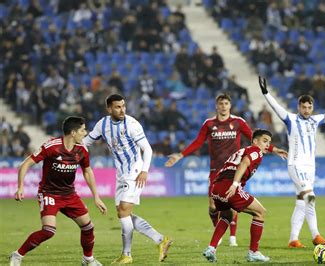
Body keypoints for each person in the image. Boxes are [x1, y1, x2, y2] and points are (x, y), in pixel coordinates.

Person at [165, 93, 286, 247]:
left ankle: (233, 238)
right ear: (217, 106)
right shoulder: (209, 124)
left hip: (233, 170)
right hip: (216, 170)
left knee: (233, 203)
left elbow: (255, 139)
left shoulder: (238, 122)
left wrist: (274, 149)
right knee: (212, 206)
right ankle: (218, 230)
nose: (223, 106)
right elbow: (198, 142)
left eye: (226, 103)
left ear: (230, 106)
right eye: (221, 103)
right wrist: (180, 155)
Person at [258, 76, 325, 248]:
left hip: (310, 168)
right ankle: (316, 235)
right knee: (310, 197)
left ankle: (293, 239)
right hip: (295, 165)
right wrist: (265, 93)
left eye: (309, 107)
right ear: (298, 107)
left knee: (301, 202)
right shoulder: (291, 119)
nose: (307, 110)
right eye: (304, 107)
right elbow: (276, 107)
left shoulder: (315, 121)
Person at [83, 94, 172, 264]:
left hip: (135, 171)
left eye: (123, 106)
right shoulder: (103, 125)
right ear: (109, 108)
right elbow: (86, 142)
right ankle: (161, 240)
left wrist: (144, 171)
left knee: (123, 210)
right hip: (121, 173)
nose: (122, 109)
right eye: (118, 107)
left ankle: (127, 254)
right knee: (123, 213)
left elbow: (148, 149)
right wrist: (69, 146)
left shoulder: (132, 124)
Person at [9, 116, 107, 266]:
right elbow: (26, 164)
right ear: (73, 132)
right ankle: (17, 255)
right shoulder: (51, 147)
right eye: (83, 130)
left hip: (69, 194)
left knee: (88, 227)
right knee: (48, 230)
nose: (85, 133)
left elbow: (87, 171)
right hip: (49, 193)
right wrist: (20, 186)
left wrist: (96, 197)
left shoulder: (82, 149)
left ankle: (88, 259)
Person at [202, 129, 287, 263]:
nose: (267, 145)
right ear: (255, 141)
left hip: (216, 187)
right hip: (230, 186)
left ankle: (211, 248)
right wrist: (235, 184)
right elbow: (244, 163)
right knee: (260, 212)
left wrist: (274, 150)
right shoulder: (255, 151)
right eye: (265, 141)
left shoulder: (244, 149)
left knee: (227, 215)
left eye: (269, 143)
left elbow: (242, 160)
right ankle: (253, 252)